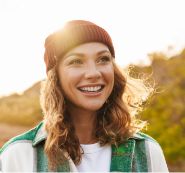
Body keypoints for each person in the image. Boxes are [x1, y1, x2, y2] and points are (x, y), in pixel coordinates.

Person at [0, 20, 168, 172]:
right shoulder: (17, 155)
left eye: (103, 59)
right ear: (55, 76)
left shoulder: (147, 151)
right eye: (76, 61)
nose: (93, 73)